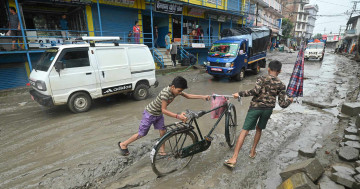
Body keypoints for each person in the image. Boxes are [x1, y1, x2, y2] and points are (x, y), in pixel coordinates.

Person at [224, 60, 293, 168]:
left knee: (244, 131)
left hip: (256, 107)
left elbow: (255, 91)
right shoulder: (282, 85)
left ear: (268, 69)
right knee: (259, 129)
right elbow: (283, 104)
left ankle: (234, 158)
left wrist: (240, 93)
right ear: (280, 71)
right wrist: (290, 100)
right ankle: (252, 152)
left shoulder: (262, 78)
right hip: (268, 110)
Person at [118, 76, 210, 156]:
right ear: (173, 87)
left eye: (181, 91)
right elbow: (164, 110)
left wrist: (202, 97)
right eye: (179, 91)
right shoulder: (166, 93)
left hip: (158, 114)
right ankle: (123, 144)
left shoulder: (175, 90)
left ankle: (162, 150)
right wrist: (178, 116)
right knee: (142, 133)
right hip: (150, 113)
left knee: (163, 131)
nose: (180, 93)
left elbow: (188, 96)